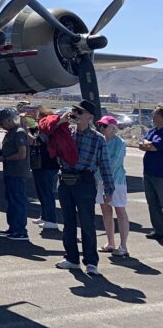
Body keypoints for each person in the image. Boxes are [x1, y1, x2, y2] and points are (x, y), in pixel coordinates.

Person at [55, 100, 113, 275]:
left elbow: (105, 165)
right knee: (68, 222)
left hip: (85, 181)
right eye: (75, 111)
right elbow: (45, 134)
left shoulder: (98, 139)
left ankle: (91, 261)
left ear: (89, 116)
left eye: (80, 112)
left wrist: (109, 190)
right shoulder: (66, 132)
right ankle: (72, 258)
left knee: (87, 223)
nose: (76, 114)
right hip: (66, 179)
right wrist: (61, 121)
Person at [0, 109, 30, 241]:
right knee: (11, 200)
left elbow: (22, 154)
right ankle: (13, 227)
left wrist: (5, 159)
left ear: (9, 120)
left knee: (17, 201)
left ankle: (20, 230)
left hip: (17, 172)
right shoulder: (11, 133)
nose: (1, 126)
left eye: (2, 123)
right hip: (10, 172)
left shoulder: (19, 133)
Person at [95, 116, 129, 257]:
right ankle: (110, 243)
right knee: (106, 211)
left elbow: (115, 162)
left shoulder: (120, 143)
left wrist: (103, 176)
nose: (102, 128)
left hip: (116, 181)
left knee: (120, 211)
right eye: (100, 126)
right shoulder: (99, 141)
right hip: (100, 181)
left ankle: (123, 245)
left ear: (113, 128)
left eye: (105, 126)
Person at [30, 106, 60, 231]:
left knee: (47, 193)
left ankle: (51, 220)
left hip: (46, 166)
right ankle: (45, 216)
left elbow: (35, 140)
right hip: (43, 165)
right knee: (42, 192)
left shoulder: (47, 131)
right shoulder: (45, 129)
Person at [138, 106, 163, 241]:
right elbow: (141, 144)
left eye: (155, 115)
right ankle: (159, 230)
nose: (152, 117)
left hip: (160, 175)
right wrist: (147, 144)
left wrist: (148, 144)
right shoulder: (153, 131)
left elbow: (152, 147)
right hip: (148, 173)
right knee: (153, 203)